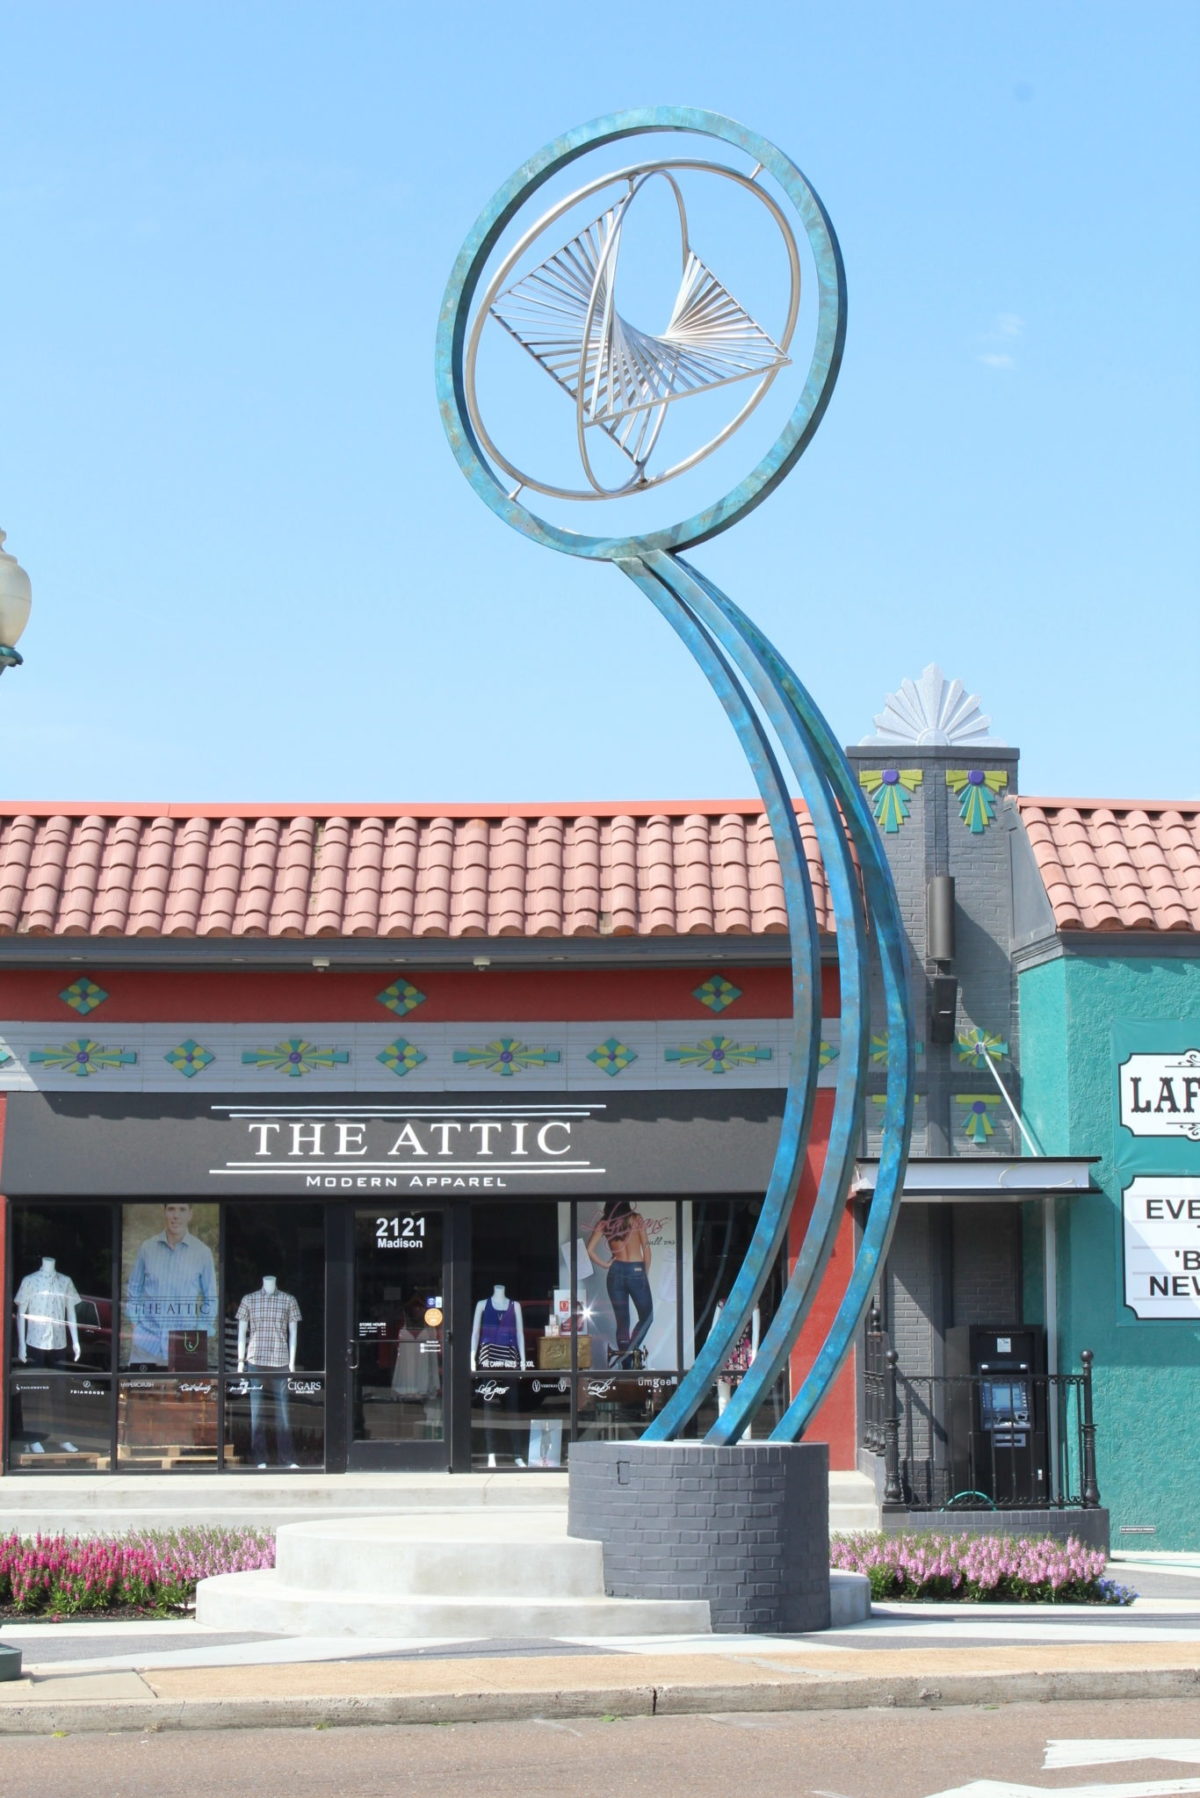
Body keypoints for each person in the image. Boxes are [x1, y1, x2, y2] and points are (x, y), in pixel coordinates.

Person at [124, 1202, 217, 1368]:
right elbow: (134, 1288)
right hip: (147, 1344)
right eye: (171, 1209)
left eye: (182, 1210)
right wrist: (135, 1323)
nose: (176, 1215)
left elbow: (211, 1297)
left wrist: (199, 1332)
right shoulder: (147, 1248)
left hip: (186, 1346)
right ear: (164, 1212)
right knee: (140, 1393)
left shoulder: (202, 1252)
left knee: (185, 1394)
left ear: (190, 1214)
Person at [586, 1199, 654, 1369]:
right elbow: (646, 1249)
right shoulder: (636, 1218)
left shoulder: (605, 1223)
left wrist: (605, 1265)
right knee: (647, 1317)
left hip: (615, 1271)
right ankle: (632, 1351)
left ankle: (627, 1365)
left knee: (623, 1322)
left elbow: (589, 1250)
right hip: (636, 1269)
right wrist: (643, 1275)